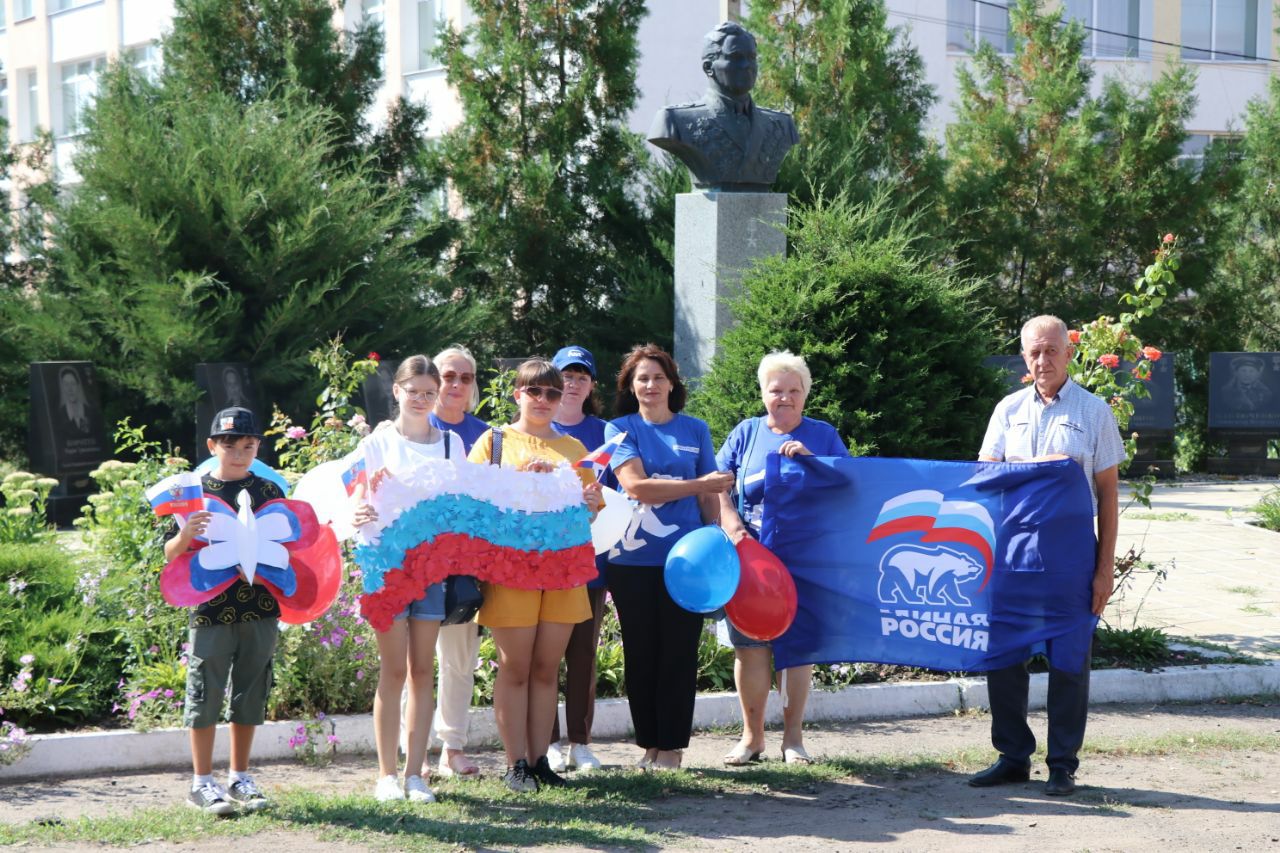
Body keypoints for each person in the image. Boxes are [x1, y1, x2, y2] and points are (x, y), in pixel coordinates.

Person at [972, 315, 1126, 796]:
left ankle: (1062, 764)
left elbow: (1107, 495)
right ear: (1024, 356)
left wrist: (1104, 571)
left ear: (1069, 353)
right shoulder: (1007, 410)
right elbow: (985, 477)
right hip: (1011, 556)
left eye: (1051, 351)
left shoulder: (1094, 411)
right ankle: (1012, 756)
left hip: (1070, 558)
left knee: (1069, 660)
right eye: (1034, 352)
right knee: (1003, 657)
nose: (1043, 360)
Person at [468, 358, 603, 792]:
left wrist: (591, 498)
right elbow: (471, 503)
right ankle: (515, 765)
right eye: (534, 391)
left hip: (563, 566)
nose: (543, 400)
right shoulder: (494, 443)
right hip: (510, 567)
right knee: (516, 667)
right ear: (518, 395)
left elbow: (589, 513)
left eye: (552, 393)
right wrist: (517, 481)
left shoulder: (574, 449)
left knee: (547, 669)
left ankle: (541, 761)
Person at [604, 344, 734, 771]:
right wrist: (699, 484)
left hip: (687, 564)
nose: (651, 385)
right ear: (630, 386)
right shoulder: (618, 430)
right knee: (641, 653)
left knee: (679, 653)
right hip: (631, 562)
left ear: (673, 383)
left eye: (659, 377)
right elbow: (637, 487)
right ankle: (649, 746)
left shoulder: (695, 429)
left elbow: (711, 500)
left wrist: (710, 500)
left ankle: (673, 748)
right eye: (642, 378)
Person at [716, 351, 849, 766]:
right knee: (749, 649)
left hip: (805, 561)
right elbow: (718, 483)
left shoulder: (824, 435)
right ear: (763, 393)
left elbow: (849, 486)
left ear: (806, 395)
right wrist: (732, 524)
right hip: (752, 562)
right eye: (777, 390)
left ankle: (793, 741)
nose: (785, 398)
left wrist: (814, 462)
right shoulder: (746, 432)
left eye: (794, 391)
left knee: (796, 651)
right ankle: (752, 739)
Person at [353, 356, 466, 803]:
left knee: (424, 670)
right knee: (394, 670)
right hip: (385, 565)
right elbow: (356, 502)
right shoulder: (375, 445)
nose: (421, 399)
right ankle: (386, 775)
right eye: (413, 390)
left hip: (432, 569)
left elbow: (462, 501)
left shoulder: (451, 443)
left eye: (429, 392)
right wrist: (357, 512)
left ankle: (415, 774)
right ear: (396, 391)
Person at [163, 407, 283, 815]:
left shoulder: (269, 491)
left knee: (251, 691)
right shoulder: (193, 494)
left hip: (261, 608)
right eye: (229, 445)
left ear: (257, 447)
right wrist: (184, 535)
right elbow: (170, 555)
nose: (239, 453)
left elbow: (289, 546)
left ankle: (240, 776)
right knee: (205, 693)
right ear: (212, 445)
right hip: (211, 610)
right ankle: (200, 782)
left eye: (248, 445)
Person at [545, 345, 614, 773]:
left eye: (581, 376)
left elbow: (619, 490)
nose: (572, 383)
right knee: (544, 656)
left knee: (583, 654)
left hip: (591, 560)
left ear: (591, 385)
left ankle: (580, 743)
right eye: (565, 376)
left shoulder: (607, 433)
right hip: (543, 562)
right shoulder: (533, 427)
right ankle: (548, 741)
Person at [428, 345, 491, 779]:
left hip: (467, 563)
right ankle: (411, 749)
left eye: (465, 378)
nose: (456, 385)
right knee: (413, 662)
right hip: (416, 561)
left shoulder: (488, 435)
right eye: (449, 376)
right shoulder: (414, 428)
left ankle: (451, 748)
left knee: (459, 659)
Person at [647, 21, 798, 192]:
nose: (747, 65)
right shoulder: (674, 121)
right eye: (735, 57)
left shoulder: (781, 124)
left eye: (752, 57)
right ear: (708, 68)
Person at [58, 366, 91, 435]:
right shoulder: (60, 413)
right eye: (66, 385)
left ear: (78, 385)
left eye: (73, 384)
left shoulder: (89, 410)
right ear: (63, 387)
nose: (70, 389)